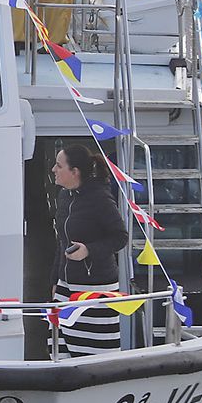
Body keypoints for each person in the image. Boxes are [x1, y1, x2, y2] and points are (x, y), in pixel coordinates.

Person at [50, 143, 128, 358]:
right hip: (66, 286)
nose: (53, 170)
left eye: (58, 166)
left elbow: (120, 237)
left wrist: (89, 250)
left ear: (74, 172)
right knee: (56, 345)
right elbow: (62, 241)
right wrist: (55, 281)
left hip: (94, 288)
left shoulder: (99, 198)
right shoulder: (65, 196)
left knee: (93, 353)